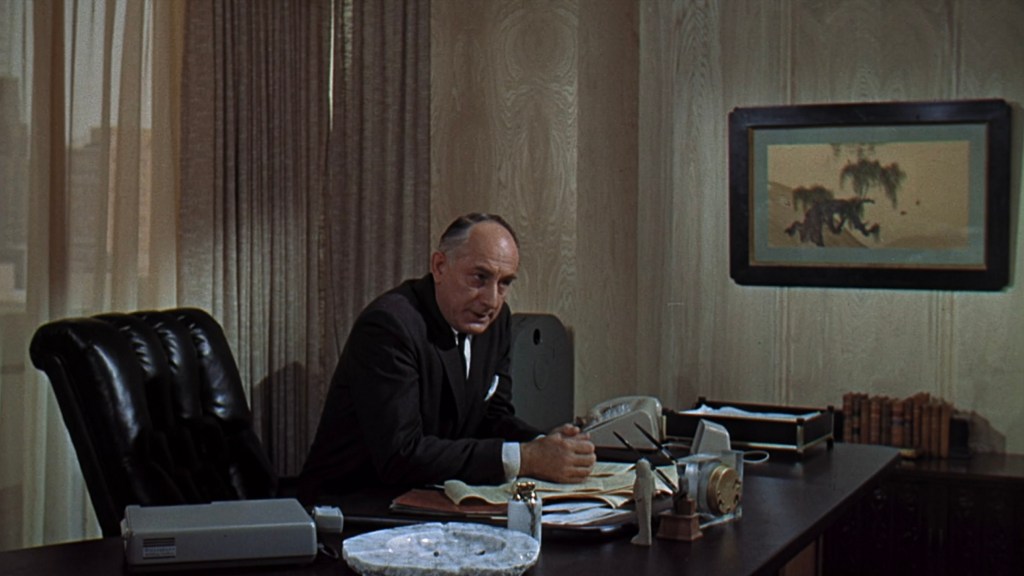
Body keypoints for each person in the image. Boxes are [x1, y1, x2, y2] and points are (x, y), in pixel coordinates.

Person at [298, 213, 595, 504]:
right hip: (352, 505)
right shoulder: (390, 326)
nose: (491, 300)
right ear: (439, 267)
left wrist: (546, 444)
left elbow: (493, 420)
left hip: (429, 496)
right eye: (479, 278)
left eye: (504, 283)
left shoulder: (496, 321)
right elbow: (401, 455)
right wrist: (526, 458)